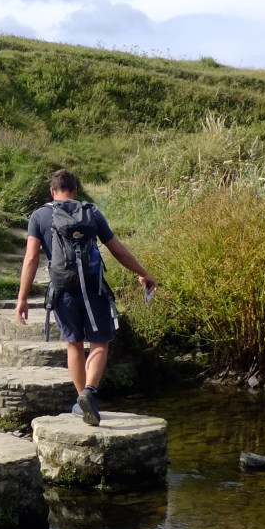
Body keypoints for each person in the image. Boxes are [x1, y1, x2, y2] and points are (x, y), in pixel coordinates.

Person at [15, 168, 157, 426]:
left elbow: (32, 258)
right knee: (100, 343)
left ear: (52, 191)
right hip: (94, 288)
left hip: (62, 290)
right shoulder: (91, 212)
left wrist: (22, 297)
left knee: (74, 344)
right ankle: (90, 392)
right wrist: (143, 273)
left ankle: (82, 400)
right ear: (75, 190)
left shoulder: (39, 216)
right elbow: (117, 250)